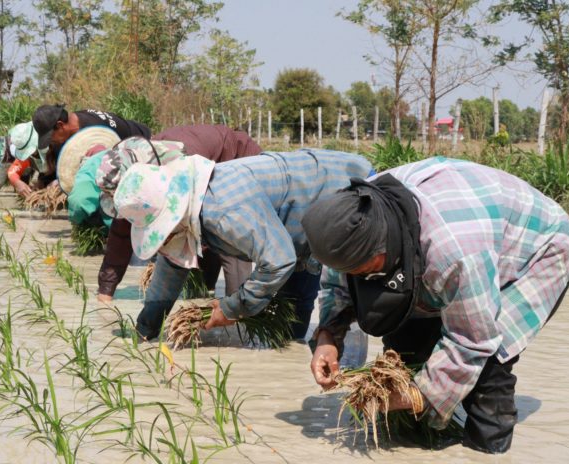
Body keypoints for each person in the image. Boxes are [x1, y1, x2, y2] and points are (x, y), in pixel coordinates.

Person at [301, 157, 569, 454]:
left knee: (489, 368)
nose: (357, 277)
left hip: (536, 252)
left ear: (383, 247)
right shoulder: (348, 223)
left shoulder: (455, 252)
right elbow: (337, 283)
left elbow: (473, 342)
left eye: (363, 271)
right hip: (457, 235)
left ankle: (486, 451)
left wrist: (413, 395)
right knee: (405, 350)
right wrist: (328, 338)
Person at [114, 149, 374, 341]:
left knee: (355, 304)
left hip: (348, 192)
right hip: (299, 226)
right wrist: (145, 331)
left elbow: (278, 261)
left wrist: (232, 308)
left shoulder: (222, 210)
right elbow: (170, 268)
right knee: (289, 324)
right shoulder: (194, 200)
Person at [95, 125, 263, 304]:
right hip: (209, 169)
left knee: (226, 236)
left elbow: (208, 226)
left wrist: (233, 310)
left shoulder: (184, 167)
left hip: (239, 160)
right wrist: (106, 292)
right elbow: (121, 232)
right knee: (199, 285)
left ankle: (240, 311)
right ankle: (206, 292)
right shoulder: (138, 184)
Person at [32, 104, 151, 154]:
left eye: (50, 136)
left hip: (145, 144)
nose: (52, 141)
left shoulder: (94, 132)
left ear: (60, 125)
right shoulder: (76, 120)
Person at [5, 122, 48, 198]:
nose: (32, 154)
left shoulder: (56, 143)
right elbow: (12, 172)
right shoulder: (28, 156)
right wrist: (17, 183)